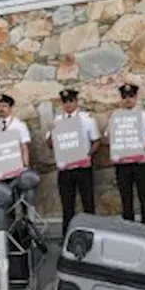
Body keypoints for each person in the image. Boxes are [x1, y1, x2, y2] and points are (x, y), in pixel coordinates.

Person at [47, 89, 101, 231]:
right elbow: (49, 144)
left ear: (76, 102)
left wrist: (89, 154)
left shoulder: (86, 119)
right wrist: (51, 132)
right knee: (67, 206)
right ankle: (67, 238)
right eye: (65, 102)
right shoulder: (57, 121)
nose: (68, 105)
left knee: (88, 203)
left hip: (82, 168)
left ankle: (91, 234)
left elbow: (96, 141)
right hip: (65, 169)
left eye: (71, 101)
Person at [106, 83, 145, 225]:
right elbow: (110, 137)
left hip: (140, 164)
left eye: (131, 96)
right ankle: (129, 231)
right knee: (126, 199)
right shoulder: (115, 117)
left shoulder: (144, 117)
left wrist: (144, 151)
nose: (128, 99)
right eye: (124, 96)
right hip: (122, 165)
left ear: (135, 97)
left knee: (144, 197)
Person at [0, 94, 32, 179]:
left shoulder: (19, 125)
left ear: (11, 108)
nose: (1, 109)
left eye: (4, 106)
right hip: (4, 171)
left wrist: (26, 166)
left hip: (18, 167)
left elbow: (24, 147)